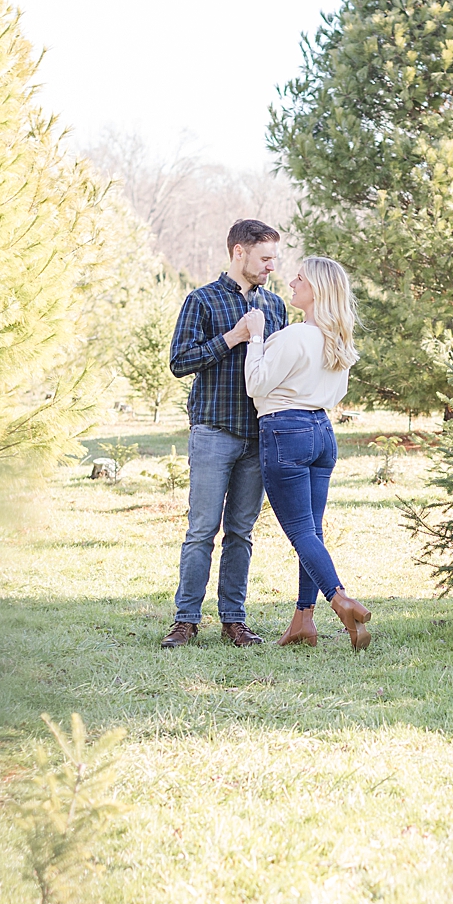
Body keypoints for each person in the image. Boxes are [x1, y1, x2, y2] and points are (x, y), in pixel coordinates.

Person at [160, 219, 288, 649]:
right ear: (239, 252)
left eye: (275, 258)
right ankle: (185, 620)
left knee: (241, 532)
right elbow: (180, 361)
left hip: (258, 435)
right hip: (214, 430)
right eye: (265, 258)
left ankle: (234, 620)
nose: (272, 266)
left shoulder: (276, 307)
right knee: (201, 530)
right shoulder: (202, 301)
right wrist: (233, 337)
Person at [244, 257, 372, 651]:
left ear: (316, 289)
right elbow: (337, 395)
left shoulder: (294, 336)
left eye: (300, 277)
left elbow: (256, 384)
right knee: (311, 532)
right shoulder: (337, 340)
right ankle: (303, 620)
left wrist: (255, 336)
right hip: (321, 431)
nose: (292, 281)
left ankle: (340, 599)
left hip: (286, 431)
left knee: (301, 532)